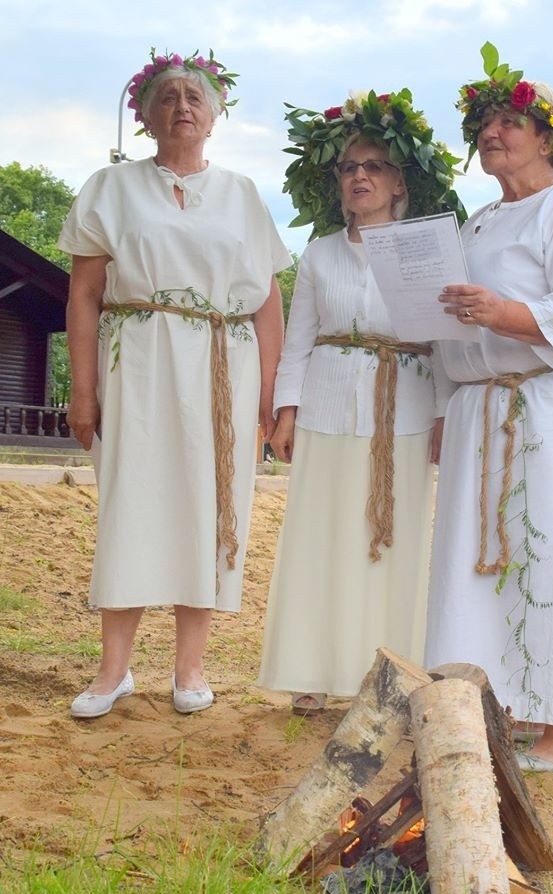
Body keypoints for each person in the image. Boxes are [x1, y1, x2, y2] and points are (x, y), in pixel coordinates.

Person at [59, 49, 291, 719]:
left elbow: (267, 300)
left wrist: (270, 392)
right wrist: (82, 389)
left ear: (214, 118)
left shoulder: (243, 195)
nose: (182, 107)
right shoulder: (112, 187)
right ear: (145, 115)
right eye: (168, 98)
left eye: (194, 97)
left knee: (210, 504)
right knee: (132, 500)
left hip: (225, 363)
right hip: (139, 357)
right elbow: (84, 295)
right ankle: (114, 670)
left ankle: (190, 667)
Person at [424, 43, 553, 771]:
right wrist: (447, 407)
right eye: (483, 122)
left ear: (548, 137)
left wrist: (505, 311)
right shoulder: (476, 225)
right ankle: (501, 704)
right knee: (482, 565)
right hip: (484, 408)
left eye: (509, 120)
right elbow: (452, 322)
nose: (492, 132)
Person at [258, 90, 465, 713]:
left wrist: (441, 414)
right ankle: (312, 670)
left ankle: (386, 678)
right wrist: (285, 411)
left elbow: (444, 341)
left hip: (401, 412)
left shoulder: (424, 249)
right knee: (319, 537)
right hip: (326, 406)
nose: (360, 176)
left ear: (400, 181)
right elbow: (298, 338)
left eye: (374, 166)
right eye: (350, 168)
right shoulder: (319, 253)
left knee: (389, 542)